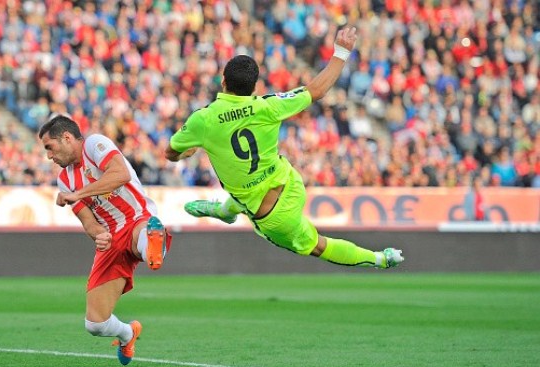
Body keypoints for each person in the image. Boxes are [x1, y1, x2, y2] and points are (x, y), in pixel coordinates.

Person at [166, 27, 404, 269]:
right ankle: (225, 211)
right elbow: (317, 90)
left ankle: (380, 259)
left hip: (274, 217)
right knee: (249, 189)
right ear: (255, 87)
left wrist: (188, 151)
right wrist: (342, 52)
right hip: (291, 183)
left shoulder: (203, 120)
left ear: (223, 80)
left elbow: (171, 153)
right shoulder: (269, 106)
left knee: (318, 246)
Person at [39, 115, 171, 366]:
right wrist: (99, 236)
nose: (49, 156)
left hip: (136, 218)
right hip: (112, 238)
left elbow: (120, 173)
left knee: (143, 234)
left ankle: (153, 246)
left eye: (50, 147)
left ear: (67, 138)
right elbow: (89, 222)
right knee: (95, 323)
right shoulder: (64, 180)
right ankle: (128, 334)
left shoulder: (94, 145)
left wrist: (78, 194)